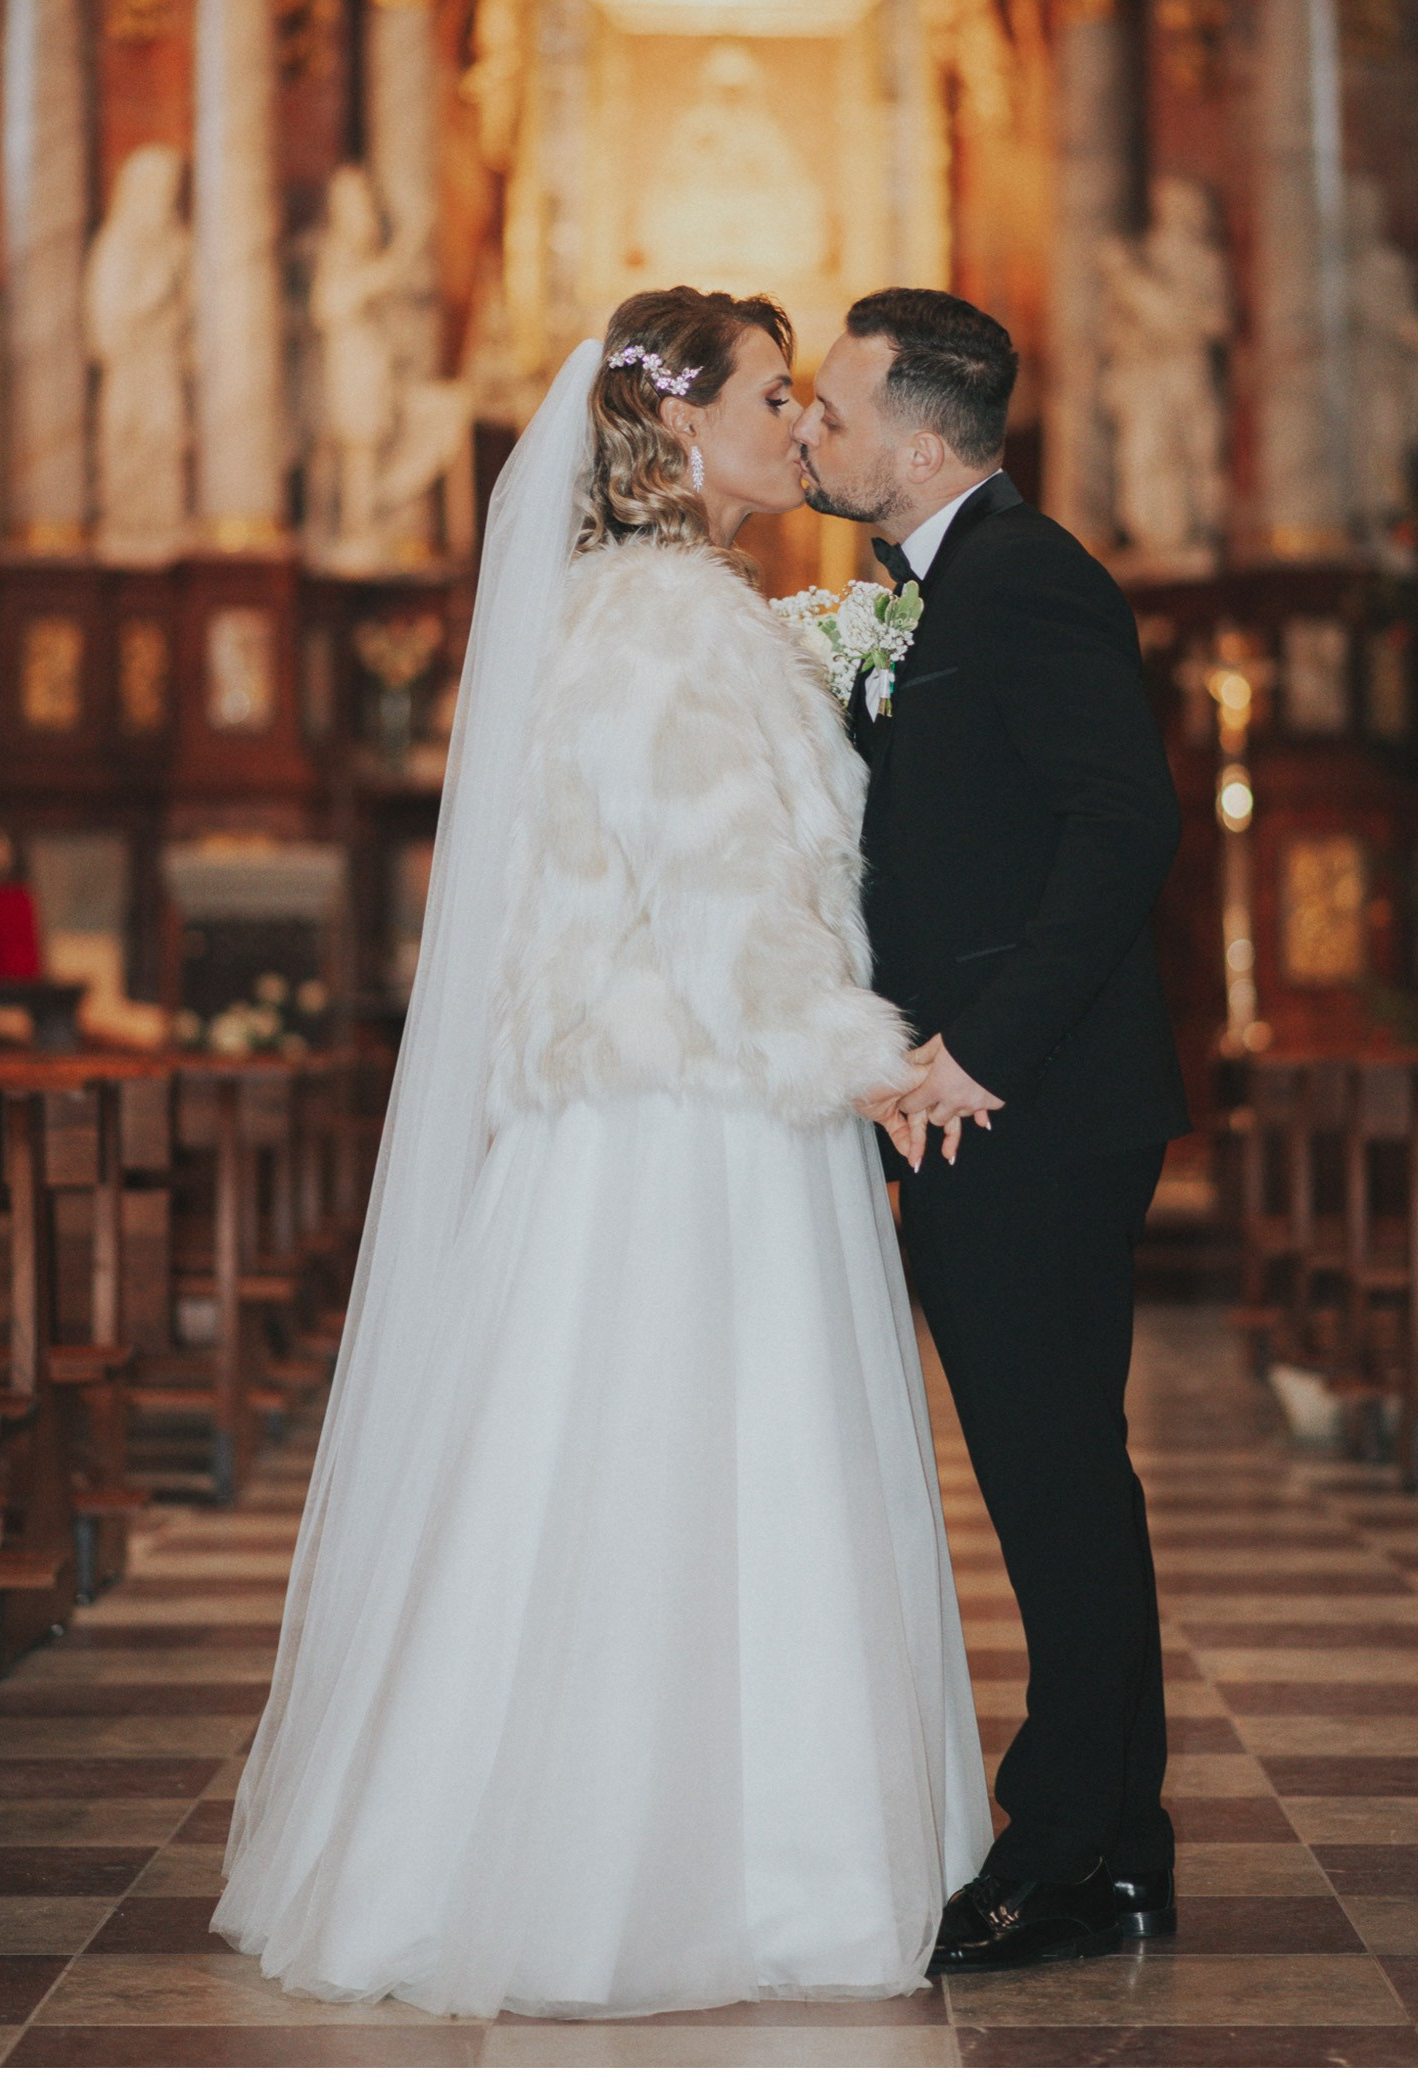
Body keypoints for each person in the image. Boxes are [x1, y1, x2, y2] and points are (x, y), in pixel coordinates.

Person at [214, 290, 992, 2016]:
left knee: (622, 1478)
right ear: (674, 429)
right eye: (774, 395)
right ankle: (685, 1876)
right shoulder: (671, 622)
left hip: (648, 1108)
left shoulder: (644, 610)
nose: (802, 426)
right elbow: (728, 912)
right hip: (693, 1123)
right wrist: (880, 1066)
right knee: (697, 1474)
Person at [796, 289, 1191, 1972]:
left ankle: (1082, 1851)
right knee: (1047, 1481)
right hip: (979, 1104)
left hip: (1028, 1114)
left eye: (832, 406)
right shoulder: (920, 589)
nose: (812, 429)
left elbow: (1125, 828)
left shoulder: (1030, 582)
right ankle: (1115, 1839)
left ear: (923, 439)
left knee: (1055, 1486)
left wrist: (979, 1053)